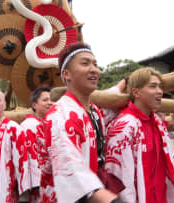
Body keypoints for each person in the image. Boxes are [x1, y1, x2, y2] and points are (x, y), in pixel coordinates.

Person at [39, 42, 121, 203]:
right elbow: (69, 165)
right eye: (85, 63)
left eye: (95, 64)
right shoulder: (59, 115)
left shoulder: (94, 110)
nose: (94, 69)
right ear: (67, 74)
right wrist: (109, 199)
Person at [103, 67, 174, 203]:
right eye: (153, 86)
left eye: (160, 87)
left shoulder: (158, 122)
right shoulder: (124, 126)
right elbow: (119, 179)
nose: (159, 91)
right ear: (136, 92)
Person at [20, 85, 53, 203]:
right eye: (45, 100)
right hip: (37, 184)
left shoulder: (54, 123)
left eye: (52, 99)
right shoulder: (29, 125)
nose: (50, 103)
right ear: (34, 105)